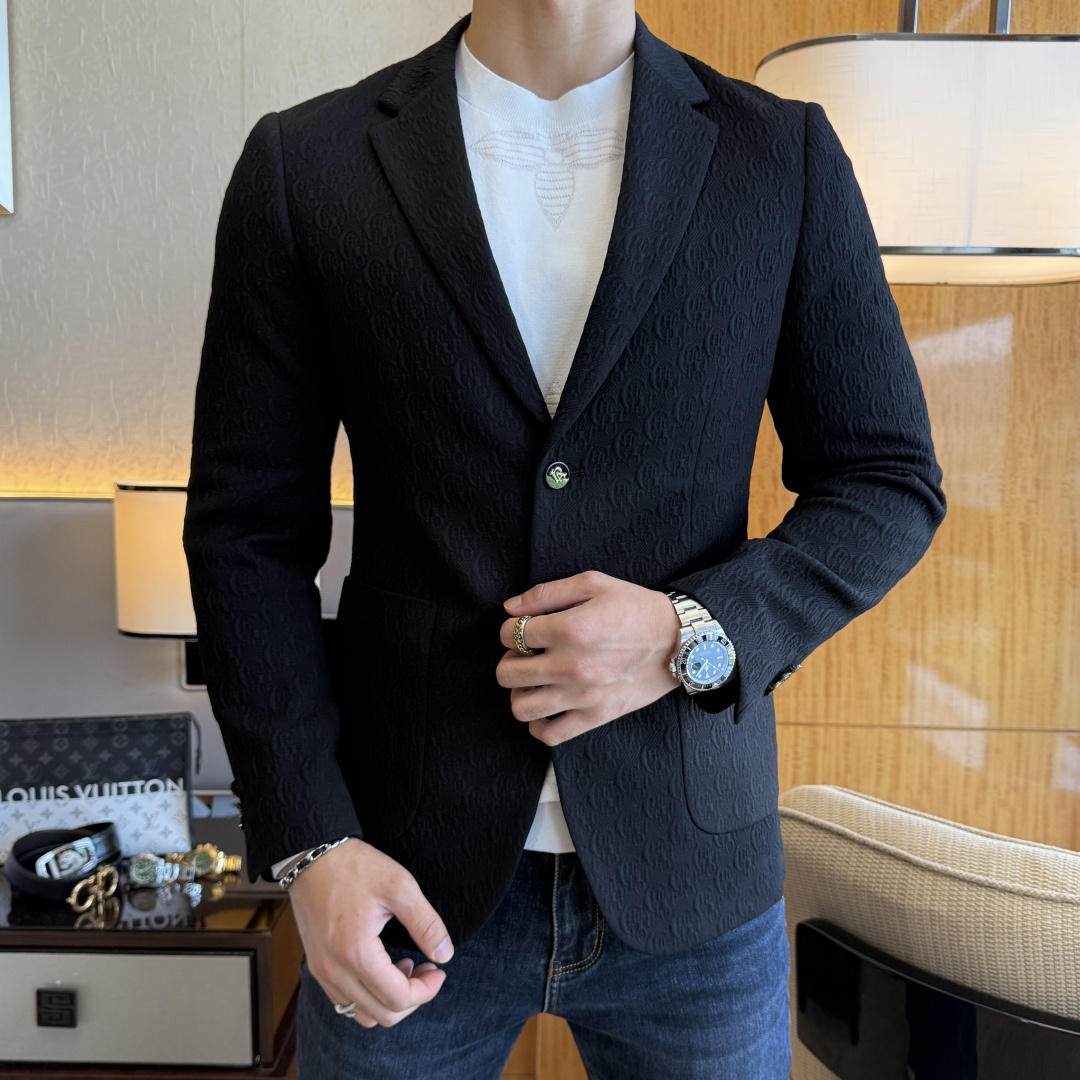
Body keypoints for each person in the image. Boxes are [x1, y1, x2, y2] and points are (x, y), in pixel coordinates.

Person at [183, 1, 945, 1076]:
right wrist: (310, 841)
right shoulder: (306, 165)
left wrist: (689, 630)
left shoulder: (784, 156)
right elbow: (245, 535)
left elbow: (886, 479)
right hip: (393, 872)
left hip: (694, 883)